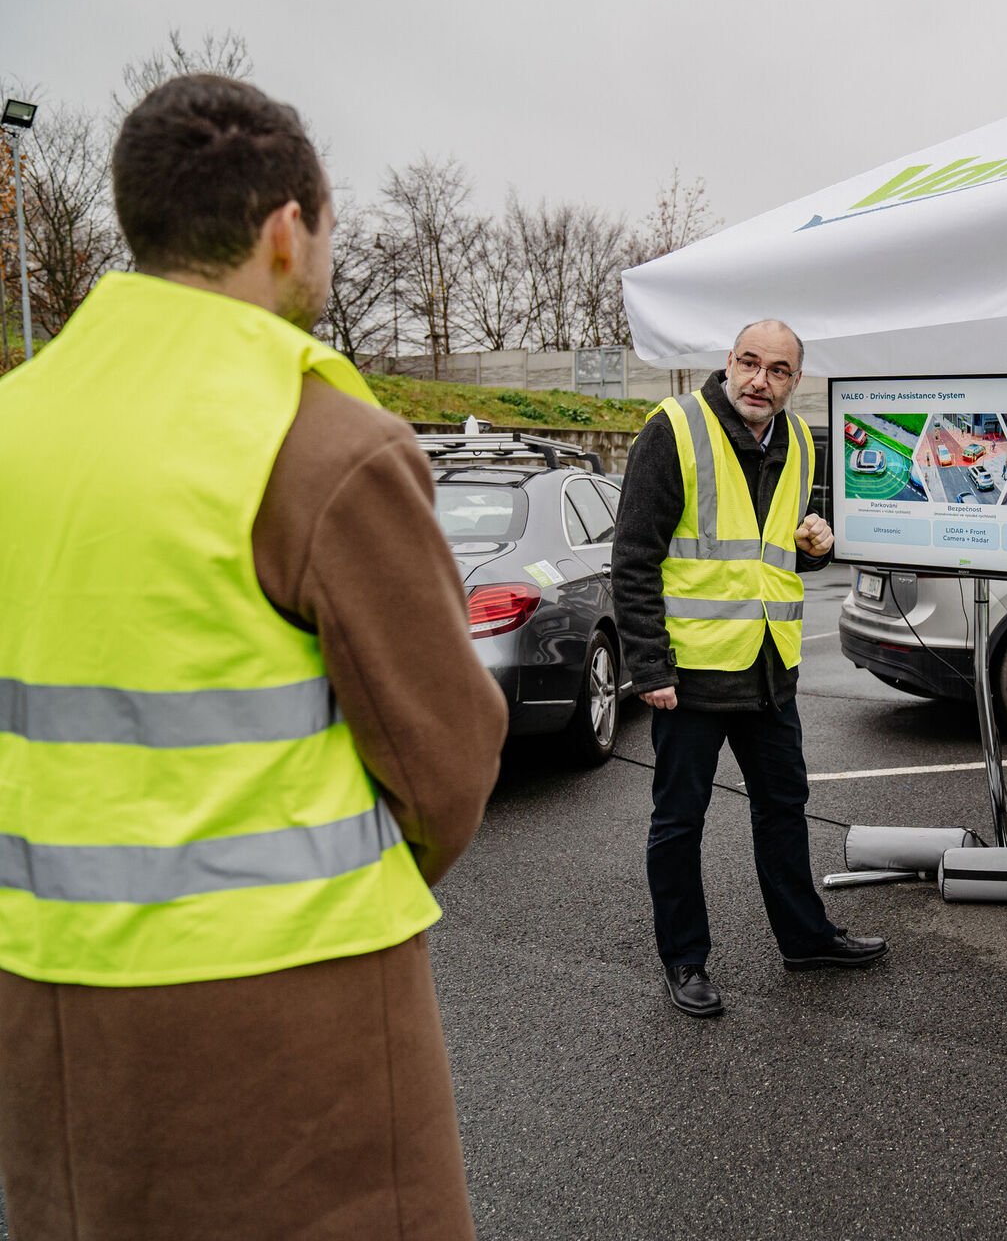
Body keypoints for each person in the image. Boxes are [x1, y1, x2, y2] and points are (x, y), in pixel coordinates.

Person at [0, 76, 506, 1239]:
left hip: (45, 1008)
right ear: (287, 229)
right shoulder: (317, 437)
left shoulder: (20, 417)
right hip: (288, 1023)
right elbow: (448, 762)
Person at [612, 320, 886, 1018]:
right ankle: (685, 960)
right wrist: (649, 666)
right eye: (750, 363)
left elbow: (783, 544)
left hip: (769, 667)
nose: (760, 380)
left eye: (779, 370)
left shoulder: (796, 440)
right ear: (728, 362)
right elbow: (635, 556)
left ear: (797, 381)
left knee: (783, 810)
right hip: (692, 674)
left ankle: (805, 937)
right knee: (679, 822)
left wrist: (818, 543)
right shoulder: (674, 428)